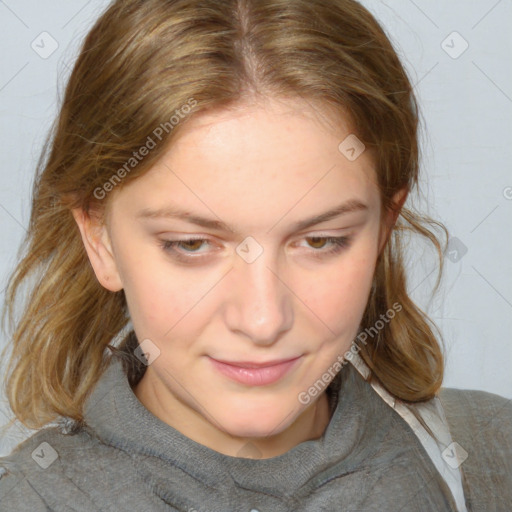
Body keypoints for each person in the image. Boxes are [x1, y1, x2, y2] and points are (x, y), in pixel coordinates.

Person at [0, 0, 510, 510]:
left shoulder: (491, 458)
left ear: (382, 229)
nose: (263, 320)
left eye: (320, 240)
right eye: (192, 245)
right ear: (99, 238)